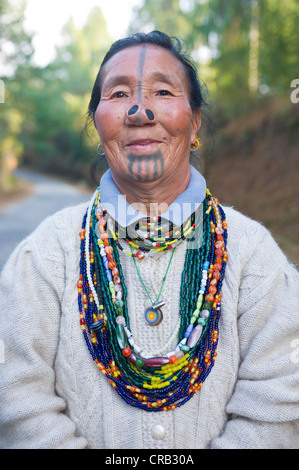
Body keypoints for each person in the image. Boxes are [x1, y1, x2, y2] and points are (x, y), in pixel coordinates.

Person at [0, 30, 298, 450]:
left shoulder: (252, 254)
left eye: (162, 90)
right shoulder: (47, 254)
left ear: (194, 121)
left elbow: (281, 400)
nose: (140, 111)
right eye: (119, 94)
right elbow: (15, 396)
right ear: (97, 125)